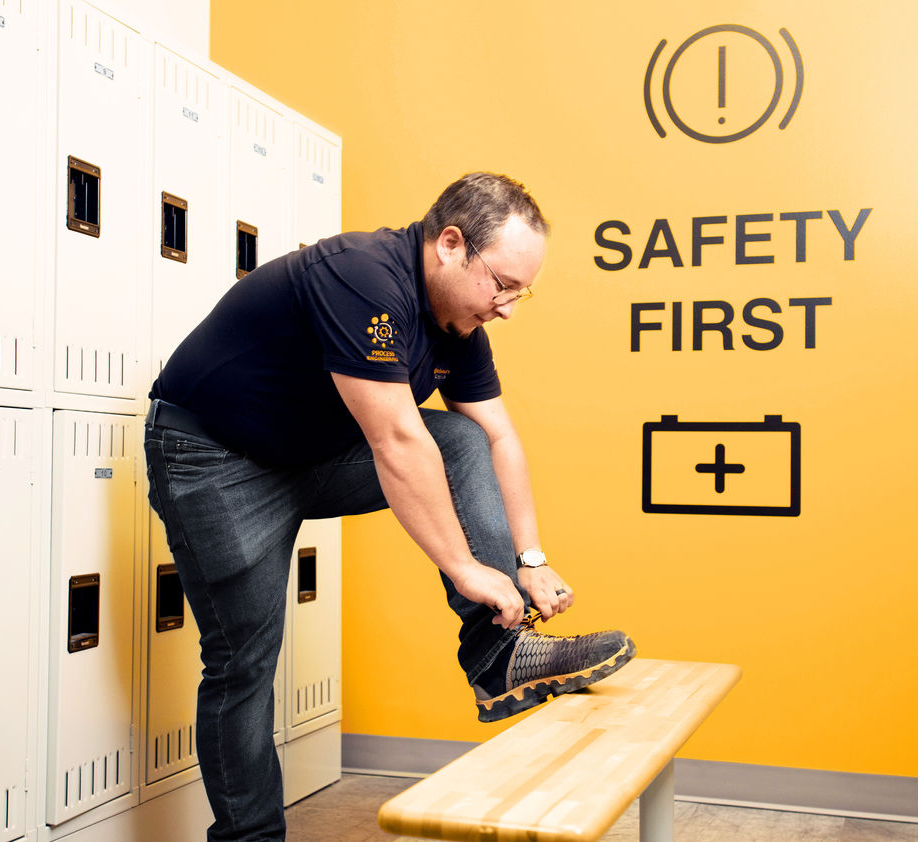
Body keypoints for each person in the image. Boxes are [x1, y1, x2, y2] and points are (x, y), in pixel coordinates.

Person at [144, 172, 635, 841]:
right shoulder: (362, 276)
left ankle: (498, 655)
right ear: (451, 245)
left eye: (524, 294)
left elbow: (497, 438)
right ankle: (248, 839)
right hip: (215, 459)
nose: (508, 309)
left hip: (310, 459)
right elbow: (397, 438)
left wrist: (529, 559)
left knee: (462, 437)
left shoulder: (458, 329)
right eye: (502, 285)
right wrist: (463, 567)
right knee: (243, 661)